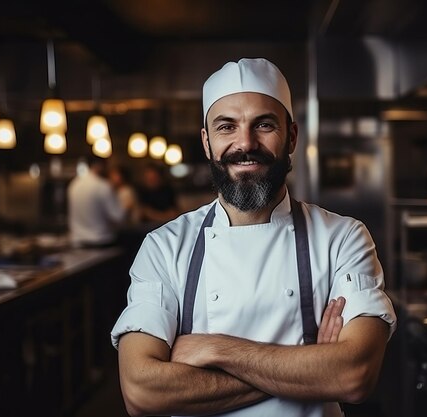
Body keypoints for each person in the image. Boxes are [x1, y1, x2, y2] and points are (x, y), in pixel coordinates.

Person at [111, 58, 397, 417]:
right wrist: (312, 369)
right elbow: (141, 391)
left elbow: (354, 375)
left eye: (263, 124)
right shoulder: (164, 247)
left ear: (291, 136)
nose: (245, 143)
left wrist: (216, 349)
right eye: (226, 126)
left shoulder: (343, 238)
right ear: (206, 141)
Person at [67, 155, 126, 247]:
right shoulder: (102, 186)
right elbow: (118, 217)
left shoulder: (74, 184)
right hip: (101, 240)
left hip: (78, 241)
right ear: (99, 166)